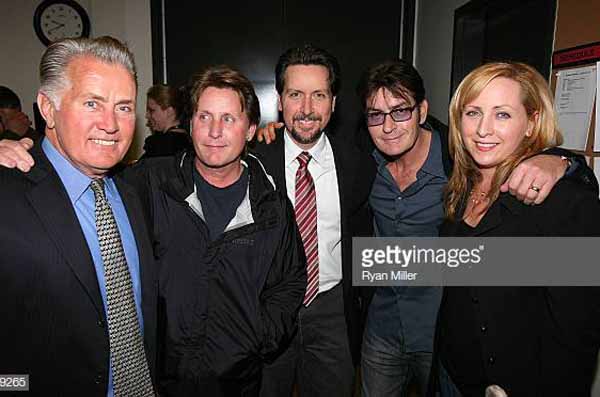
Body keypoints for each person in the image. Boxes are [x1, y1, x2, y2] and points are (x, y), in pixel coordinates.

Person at [257, 57, 595, 396]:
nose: (388, 127)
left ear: (422, 111)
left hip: (440, 334)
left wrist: (564, 161)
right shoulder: (364, 160)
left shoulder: (457, 162)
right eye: (473, 113)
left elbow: (574, 325)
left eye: (401, 111)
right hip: (384, 328)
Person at [125, 65, 307, 396]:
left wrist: (257, 338)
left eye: (229, 119)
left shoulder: (272, 208)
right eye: (204, 117)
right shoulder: (149, 184)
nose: (215, 131)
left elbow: (290, 283)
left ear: (250, 129)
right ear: (190, 124)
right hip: (159, 378)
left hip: (237, 379)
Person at [0, 37, 158, 396]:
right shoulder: (7, 196)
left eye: (123, 107)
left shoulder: (134, 194)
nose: (111, 124)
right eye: (92, 103)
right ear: (48, 107)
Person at [437, 62, 600, 397]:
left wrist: (567, 163)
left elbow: (577, 335)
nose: (483, 130)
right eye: (473, 112)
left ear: (531, 122)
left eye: (502, 115)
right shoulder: (460, 185)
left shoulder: (561, 200)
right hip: (451, 373)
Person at [254, 44, 375, 397]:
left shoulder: (358, 165)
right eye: (296, 95)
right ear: (280, 101)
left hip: (333, 310)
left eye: (318, 95)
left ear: (334, 103)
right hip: (269, 309)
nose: (306, 109)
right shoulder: (254, 162)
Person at [141, 83, 192, 158]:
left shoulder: (161, 146)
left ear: (169, 111)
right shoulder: (188, 142)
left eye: (152, 110)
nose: (147, 116)